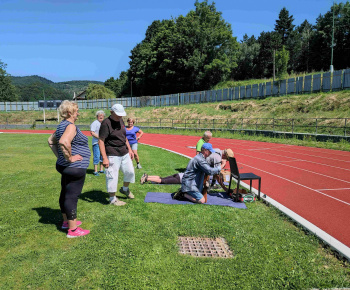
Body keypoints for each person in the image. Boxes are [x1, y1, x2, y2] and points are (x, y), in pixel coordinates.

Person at [47, 100, 91, 238]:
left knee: (65, 192)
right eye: (76, 110)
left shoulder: (61, 125)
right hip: (74, 167)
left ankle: (66, 222)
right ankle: (73, 230)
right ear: (69, 112)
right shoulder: (70, 126)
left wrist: (60, 157)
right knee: (72, 195)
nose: (78, 113)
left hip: (64, 166)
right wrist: (70, 158)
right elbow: (63, 142)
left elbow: (50, 141)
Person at [98, 104, 135, 206]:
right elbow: (101, 141)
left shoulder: (121, 120)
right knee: (112, 177)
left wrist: (130, 150)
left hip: (124, 152)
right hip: (112, 154)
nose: (120, 117)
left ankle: (125, 189)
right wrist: (105, 158)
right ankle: (112, 199)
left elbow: (124, 137)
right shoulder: (106, 123)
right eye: (118, 115)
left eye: (121, 115)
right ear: (111, 112)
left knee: (130, 172)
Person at [90, 110, 105, 176]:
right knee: (97, 156)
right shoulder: (95, 123)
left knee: (102, 156)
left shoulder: (104, 123)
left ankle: (101, 170)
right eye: (99, 115)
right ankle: (95, 171)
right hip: (96, 143)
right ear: (97, 116)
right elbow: (92, 132)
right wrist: (99, 137)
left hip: (103, 143)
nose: (101, 116)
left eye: (102, 115)